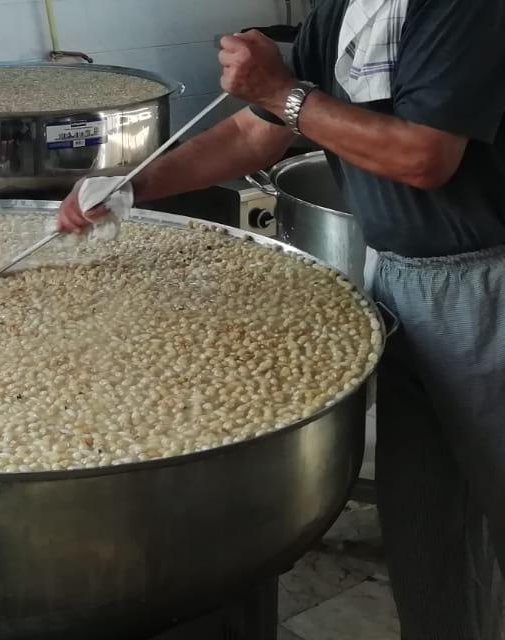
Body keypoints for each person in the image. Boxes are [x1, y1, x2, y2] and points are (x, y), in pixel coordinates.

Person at [61, 0, 505, 637]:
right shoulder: (342, 13)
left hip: (486, 282)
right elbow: (254, 134)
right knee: (426, 511)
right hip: (398, 275)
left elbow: (424, 157)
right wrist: (132, 185)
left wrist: (280, 90)